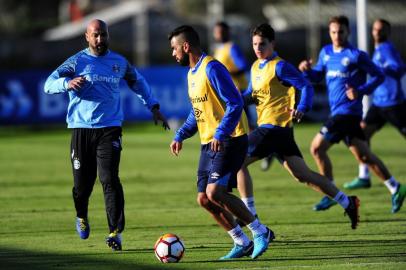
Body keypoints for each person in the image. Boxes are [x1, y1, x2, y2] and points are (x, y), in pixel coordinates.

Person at [44, 19, 169, 251]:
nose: (100, 40)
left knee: (109, 179)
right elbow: (48, 84)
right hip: (81, 129)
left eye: (103, 35)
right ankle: (81, 214)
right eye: (96, 35)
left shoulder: (119, 62)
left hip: (110, 128)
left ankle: (115, 232)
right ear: (87, 37)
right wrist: (66, 83)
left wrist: (154, 106)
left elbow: (137, 82)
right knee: (82, 186)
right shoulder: (76, 61)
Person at [238, 23, 360, 230]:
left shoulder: (280, 66)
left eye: (262, 44)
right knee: (302, 175)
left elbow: (306, 85)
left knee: (236, 160)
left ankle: (249, 215)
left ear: (272, 43)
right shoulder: (255, 67)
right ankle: (348, 202)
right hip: (278, 132)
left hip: (273, 128)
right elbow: (250, 95)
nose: (258, 48)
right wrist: (233, 101)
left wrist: (302, 107)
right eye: (255, 44)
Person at [168, 25, 273, 260]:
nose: (173, 53)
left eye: (174, 48)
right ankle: (241, 241)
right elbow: (197, 112)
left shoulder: (212, 67)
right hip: (209, 142)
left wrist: (221, 133)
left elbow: (236, 102)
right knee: (204, 198)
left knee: (215, 191)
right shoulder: (191, 73)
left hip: (231, 138)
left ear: (186, 47)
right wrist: (180, 135)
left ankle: (260, 232)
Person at [298, 15, 405, 213]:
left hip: (347, 113)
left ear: (348, 32)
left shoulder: (357, 55)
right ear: (329, 33)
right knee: (364, 156)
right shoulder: (326, 52)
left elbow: (379, 75)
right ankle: (395, 187)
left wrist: (360, 91)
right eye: (333, 32)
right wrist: (306, 71)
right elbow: (318, 75)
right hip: (340, 112)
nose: (337, 35)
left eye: (341, 32)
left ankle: (329, 193)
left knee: (316, 148)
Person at [344, 18, 406, 191]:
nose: (377, 32)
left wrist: (383, 70)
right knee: (361, 135)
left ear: (388, 32)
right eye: (375, 29)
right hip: (379, 104)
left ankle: (365, 176)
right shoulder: (378, 50)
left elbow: (400, 68)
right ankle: (364, 175)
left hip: (393, 104)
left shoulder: (386, 48)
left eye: (381, 30)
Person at [212, 21, 260, 219]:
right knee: (244, 134)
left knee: (247, 133)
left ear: (228, 32)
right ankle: (267, 149)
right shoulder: (218, 50)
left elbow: (242, 67)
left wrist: (225, 74)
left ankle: (268, 150)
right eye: (217, 31)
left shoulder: (231, 48)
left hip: (238, 95)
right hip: (229, 98)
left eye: (222, 30)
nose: (219, 34)